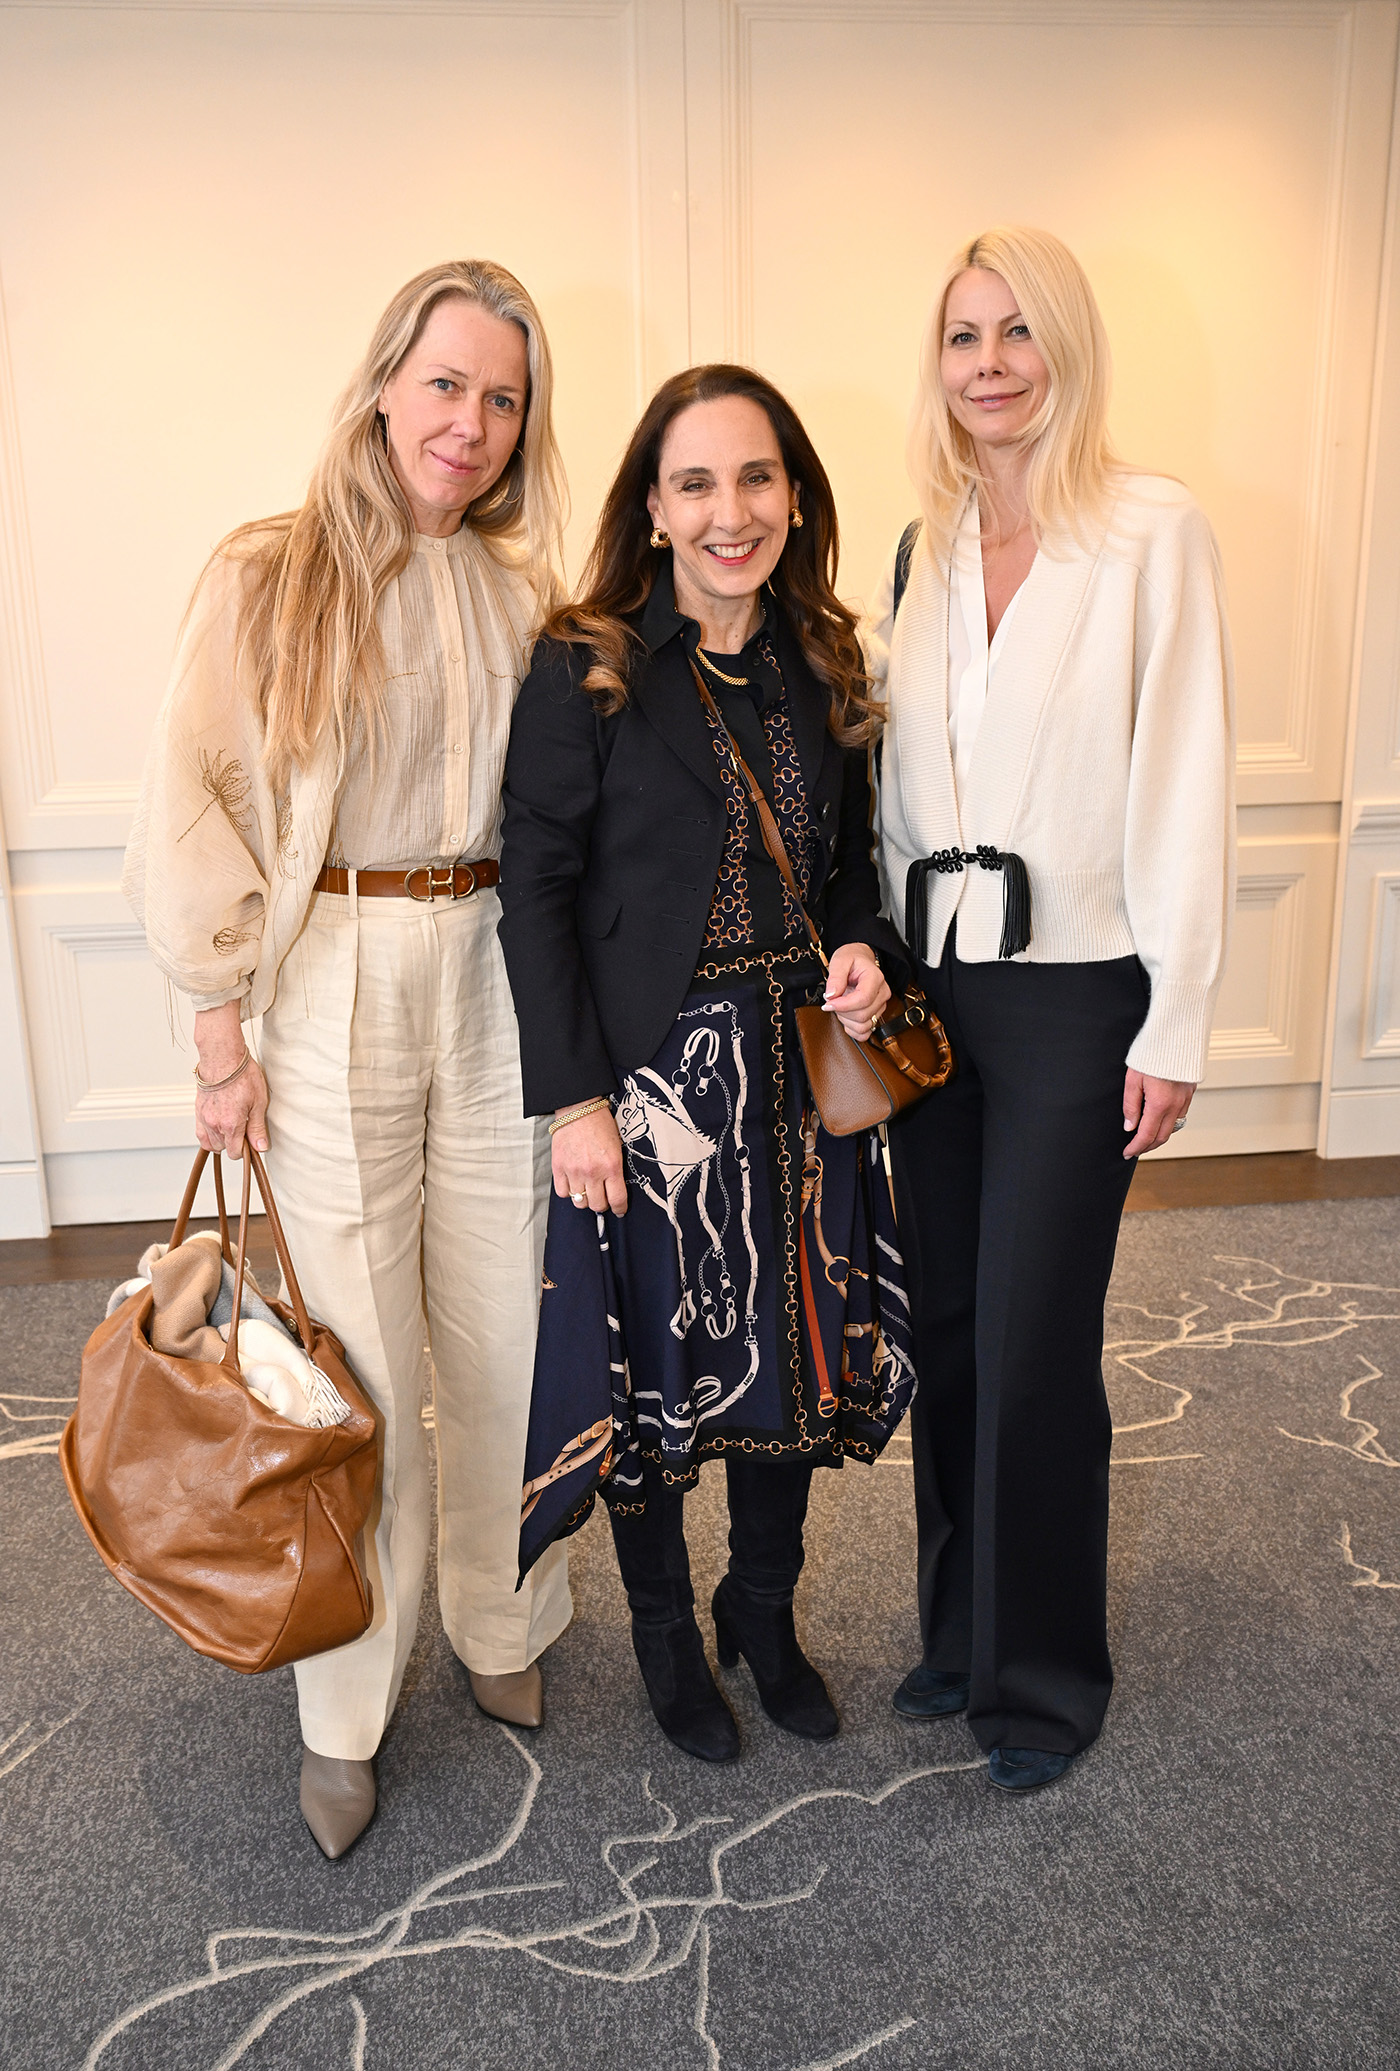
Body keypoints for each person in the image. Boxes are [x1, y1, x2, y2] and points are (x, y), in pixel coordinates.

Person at [124, 259, 574, 1857]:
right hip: (334, 974)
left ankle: (500, 1616)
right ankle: (345, 1706)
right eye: (447, 383)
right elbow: (191, 796)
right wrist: (216, 1029)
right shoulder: (270, 573)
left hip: (493, 968)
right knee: (357, 1361)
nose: (471, 423)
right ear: (386, 382)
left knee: (503, 1325)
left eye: (503, 398)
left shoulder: (522, 594)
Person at [497, 364, 916, 1762]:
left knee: (791, 1356)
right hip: (652, 1091)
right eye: (696, 484)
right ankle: (668, 1638)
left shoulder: (822, 660)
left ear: (794, 496)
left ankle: (764, 1610)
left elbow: (851, 869)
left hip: (798, 1076)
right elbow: (535, 893)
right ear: (654, 508)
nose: (729, 512)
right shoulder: (589, 664)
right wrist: (574, 1101)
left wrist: (860, 947)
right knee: (659, 1375)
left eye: (755, 478)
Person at [865, 226, 1234, 1792]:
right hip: (936, 995)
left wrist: (1177, 1021)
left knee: (1032, 1339)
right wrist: (875, 959)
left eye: (1018, 331)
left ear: (1066, 346)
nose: (991, 364)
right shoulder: (924, 545)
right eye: (964, 336)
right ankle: (960, 1634)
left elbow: (1186, 775)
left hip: (1083, 996)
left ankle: (1041, 1680)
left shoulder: (1150, 529)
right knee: (948, 1327)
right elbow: (901, 779)